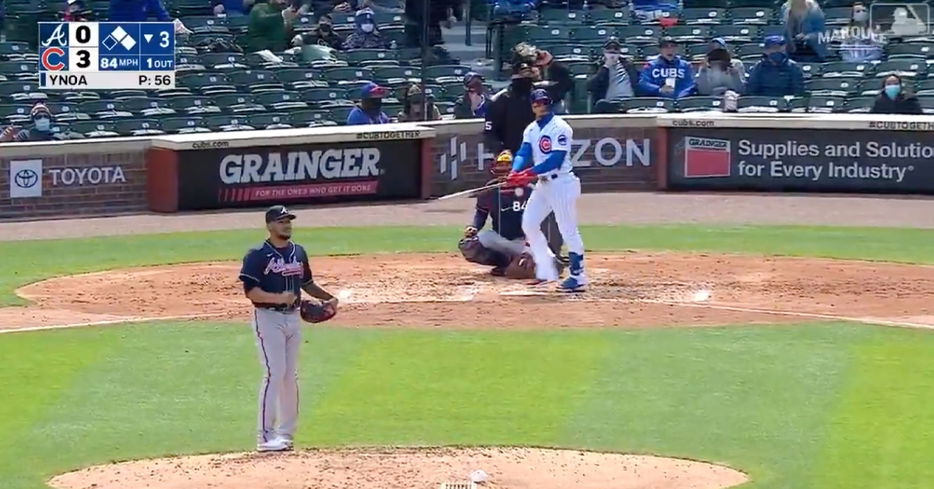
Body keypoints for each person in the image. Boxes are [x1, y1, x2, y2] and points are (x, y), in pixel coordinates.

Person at [238, 205, 338, 452]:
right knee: (274, 373)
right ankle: (264, 437)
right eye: (281, 221)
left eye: (288, 220)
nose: (287, 224)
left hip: (293, 318)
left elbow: (307, 284)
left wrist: (329, 298)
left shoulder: (298, 252)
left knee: (289, 376)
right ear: (270, 226)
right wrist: (278, 298)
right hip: (268, 319)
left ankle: (286, 435)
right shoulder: (257, 255)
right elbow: (251, 292)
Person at [506, 89, 587, 292]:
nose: (541, 106)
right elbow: (524, 152)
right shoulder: (531, 129)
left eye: (544, 102)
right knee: (530, 224)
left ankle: (578, 277)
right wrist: (515, 171)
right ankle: (547, 270)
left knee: (567, 229)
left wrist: (528, 173)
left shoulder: (560, 127)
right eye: (537, 103)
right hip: (544, 184)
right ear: (532, 105)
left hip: (562, 183)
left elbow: (555, 160)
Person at [460, 151, 564, 277]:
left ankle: (534, 260)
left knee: (553, 265)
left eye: (507, 165)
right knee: (469, 245)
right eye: (500, 165)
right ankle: (505, 263)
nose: (503, 169)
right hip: (499, 238)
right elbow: (481, 214)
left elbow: (546, 221)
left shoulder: (531, 191)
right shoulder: (489, 190)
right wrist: (474, 227)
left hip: (526, 241)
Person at [484, 62, 537, 155]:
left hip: (538, 153)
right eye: (523, 75)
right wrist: (500, 150)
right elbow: (490, 131)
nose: (526, 80)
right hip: (510, 153)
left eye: (529, 75)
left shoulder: (539, 96)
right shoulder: (501, 99)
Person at [587, 37, 639, 113]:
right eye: (609, 48)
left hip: (629, 102)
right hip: (608, 103)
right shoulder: (597, 65)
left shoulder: (628, 65)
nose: (612, 51)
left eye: (615, 49)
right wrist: (606, 67)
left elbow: (636, 83)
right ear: (604, 51)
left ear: (619, 51)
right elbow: (590, 86)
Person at [0, 104, 66, 143]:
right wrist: (4, 139)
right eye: (39, 117)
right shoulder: (24, 135)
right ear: (34, 121)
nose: (43, 119)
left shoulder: (57, 137)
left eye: (46, 116)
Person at [534, 48, 573, 113]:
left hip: (556, 98)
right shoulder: (535, 69)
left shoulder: (560, 69)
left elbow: (568, 83)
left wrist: (553, 84)